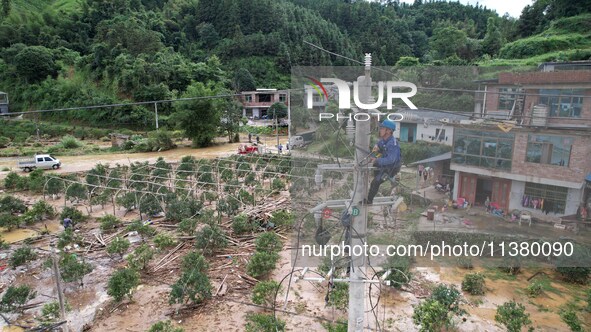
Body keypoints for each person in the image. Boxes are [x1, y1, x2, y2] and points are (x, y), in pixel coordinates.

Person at [364, 120, 402, 205]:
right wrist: (376, 147)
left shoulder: (393, 144)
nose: (380, 130)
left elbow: (391, 160)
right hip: (385, 164)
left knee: (376, 182)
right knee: (376, 173)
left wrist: (377, 160)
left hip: (391, 168)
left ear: (389, 131)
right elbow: (379, 145)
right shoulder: (383, 140)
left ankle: (369, 201)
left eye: (382, 128)